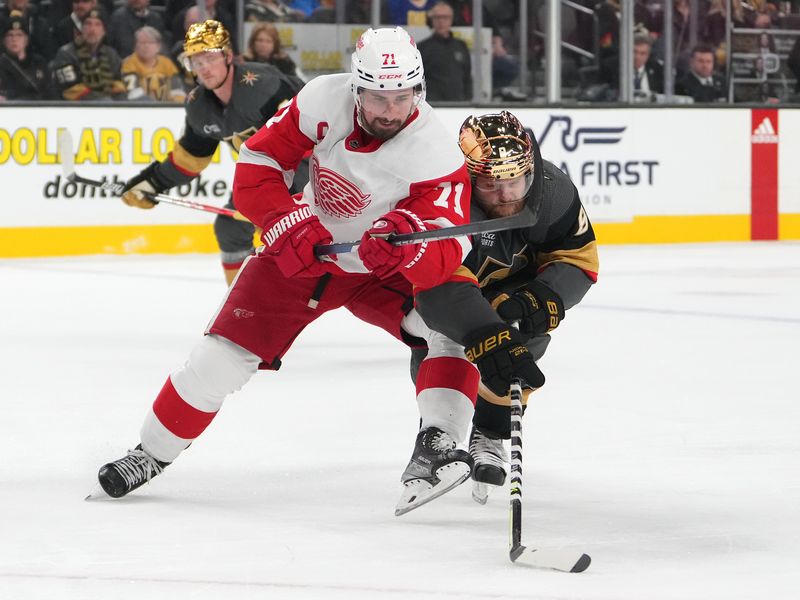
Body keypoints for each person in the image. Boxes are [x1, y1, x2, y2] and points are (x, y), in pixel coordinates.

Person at [95, 27, 483, 516]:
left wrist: (408, 244)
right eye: (378, 97)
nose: (390, 110)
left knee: (453, 328)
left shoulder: (436, 150)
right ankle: (149, 453)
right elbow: (259, 160)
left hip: (382, 267)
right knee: (218, 359)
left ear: (418, 91)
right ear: (356, 88)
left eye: (401, 97)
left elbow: (450, 238)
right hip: (306, 255)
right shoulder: (324, 96)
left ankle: (439, 444)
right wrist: (284, 218)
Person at [412, 111, 598, 499]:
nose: (507, 194)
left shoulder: (554, 191)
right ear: (467, 178)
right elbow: (436, 285)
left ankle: (492, 432)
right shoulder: (442, 199)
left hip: (516, 283)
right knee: (443, 340)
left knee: (525, 335)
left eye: (515, 181)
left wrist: (545, 296)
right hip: (447, 287)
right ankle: (436, 437)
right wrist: (486, 325)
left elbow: (579, 260)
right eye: (492, 185)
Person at [120, 19, 303, 284]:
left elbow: (308, 138)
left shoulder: (264, 85)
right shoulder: (199, 106)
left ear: (228, 56)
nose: (204, 68)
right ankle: (245, 301)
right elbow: (190, 159)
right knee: (229, 228)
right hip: (265, 178)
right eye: (196, 62)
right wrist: (151, 183)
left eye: (209, 58)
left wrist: (279, 200)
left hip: (312, 170)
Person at [50, 8, 127, 100]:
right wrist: (104, 101)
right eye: (88, 24)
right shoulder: (66, 54)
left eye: (97, 25)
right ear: (81, 29)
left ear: (104, 32)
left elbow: (119, 84)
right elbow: (71, 89)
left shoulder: (111, 54)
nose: (92, 29)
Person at [417, 1, 471, 101]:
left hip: (459, 105)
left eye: (445, 17)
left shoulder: (461, 46)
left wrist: (469, 101)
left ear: (452, 19)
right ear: (431, 20)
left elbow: (467, 78)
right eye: (437, 17)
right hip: (433, 106)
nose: (441, 21)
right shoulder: (421, 48)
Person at [122, 26, 185, 101]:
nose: (146, 46)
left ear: (158, 46)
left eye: (150, 42)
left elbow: (177, 90)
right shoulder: (129, 63)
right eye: (142, 42)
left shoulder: (167, 63)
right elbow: (134, 93)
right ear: (135, 46)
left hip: (167, 107)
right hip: (141, 107)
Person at [0, 11, 50, 100]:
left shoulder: (39, 62)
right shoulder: (2, 64)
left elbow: (50, 90)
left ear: (26, 39)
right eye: (10, 35)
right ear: (4, 40)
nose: (14, 39)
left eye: (19, 35)